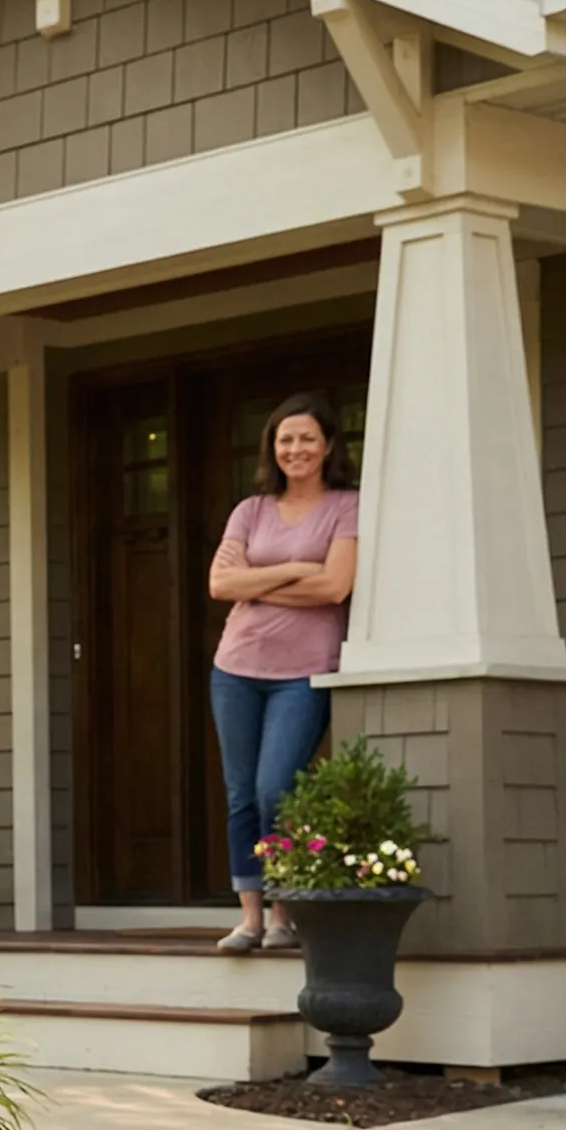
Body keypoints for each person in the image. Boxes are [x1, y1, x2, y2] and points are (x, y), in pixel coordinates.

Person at [205, 391, 360, 953]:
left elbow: (335, 587)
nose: (295, 448)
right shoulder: (250, 511)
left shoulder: (347, 505)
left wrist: (260, 578)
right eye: (285, 439)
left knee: (278, 791)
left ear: (327, 446)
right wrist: (299, 568)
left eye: (306, 438)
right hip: (236, 667)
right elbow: (221, 586)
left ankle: (283, 912)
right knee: (241, 794)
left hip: (304, 671)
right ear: (273, 448)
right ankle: (250, 917)